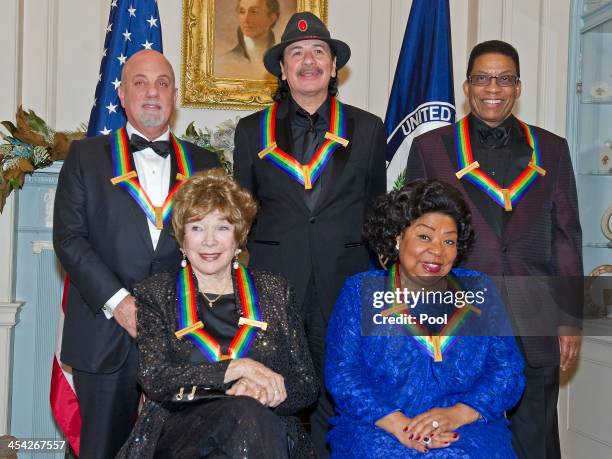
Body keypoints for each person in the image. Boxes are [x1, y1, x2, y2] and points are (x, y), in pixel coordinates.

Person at [404, 40, 583, 458]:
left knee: (536, 438)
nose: (492, 87)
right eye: (482, 77)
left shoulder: (551, 149)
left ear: (518, 88)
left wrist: (571, 318)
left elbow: (566, 236)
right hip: (458, 317)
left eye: (504, 79)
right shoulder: (431, 149)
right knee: (459, 436)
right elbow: (415, 240)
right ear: (467, 86)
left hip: (534, 316)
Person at [233, 11, 387, 457]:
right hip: (274, 288)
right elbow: (243, 216)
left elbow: (377, 213)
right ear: (282, 69)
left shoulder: (369, 127)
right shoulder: (251, 130)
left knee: (340, 395)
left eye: (319, 51)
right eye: (296, 53)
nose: (308, 61)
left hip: (346, 283)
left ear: (334, 65)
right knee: (273, 396)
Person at [53, 50, 221, 458]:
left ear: (175, 96)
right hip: (105, 333)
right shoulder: (85, 157)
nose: (152, 93)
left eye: (162, 83)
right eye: (140, 82)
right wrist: (121, 304)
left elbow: (217, 248)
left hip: (183, 338)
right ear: (122, 94)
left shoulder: (206, 164)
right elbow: (70, 240)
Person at [118, 169, 318, 458]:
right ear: (182, 238)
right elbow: (156, 378)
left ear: (239, 237)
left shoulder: (275, 290)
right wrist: (235, 368)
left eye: (222, 228)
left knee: (249, 415)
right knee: (246, 416)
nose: (209, 241)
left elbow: (306, 383)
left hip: (263, 426)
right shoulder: (156, 294)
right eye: (197, 228)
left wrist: (265, 393)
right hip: (182, 431)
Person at [326, 179, 526, 458]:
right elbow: (343, 375)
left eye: (449, 241)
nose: (438, 251)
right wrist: (400, 425)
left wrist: (457, 414)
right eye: (425, 237)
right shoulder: (360, 291)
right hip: (378, 426)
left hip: (466, 428)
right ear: (398, 237)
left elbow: (507, 371)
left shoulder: (478, 289)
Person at [215, 0, 280, 80]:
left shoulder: (283, 60)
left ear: (272, 18)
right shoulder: (226, 60)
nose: (246, 20)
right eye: (242, 12)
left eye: (254, 12)